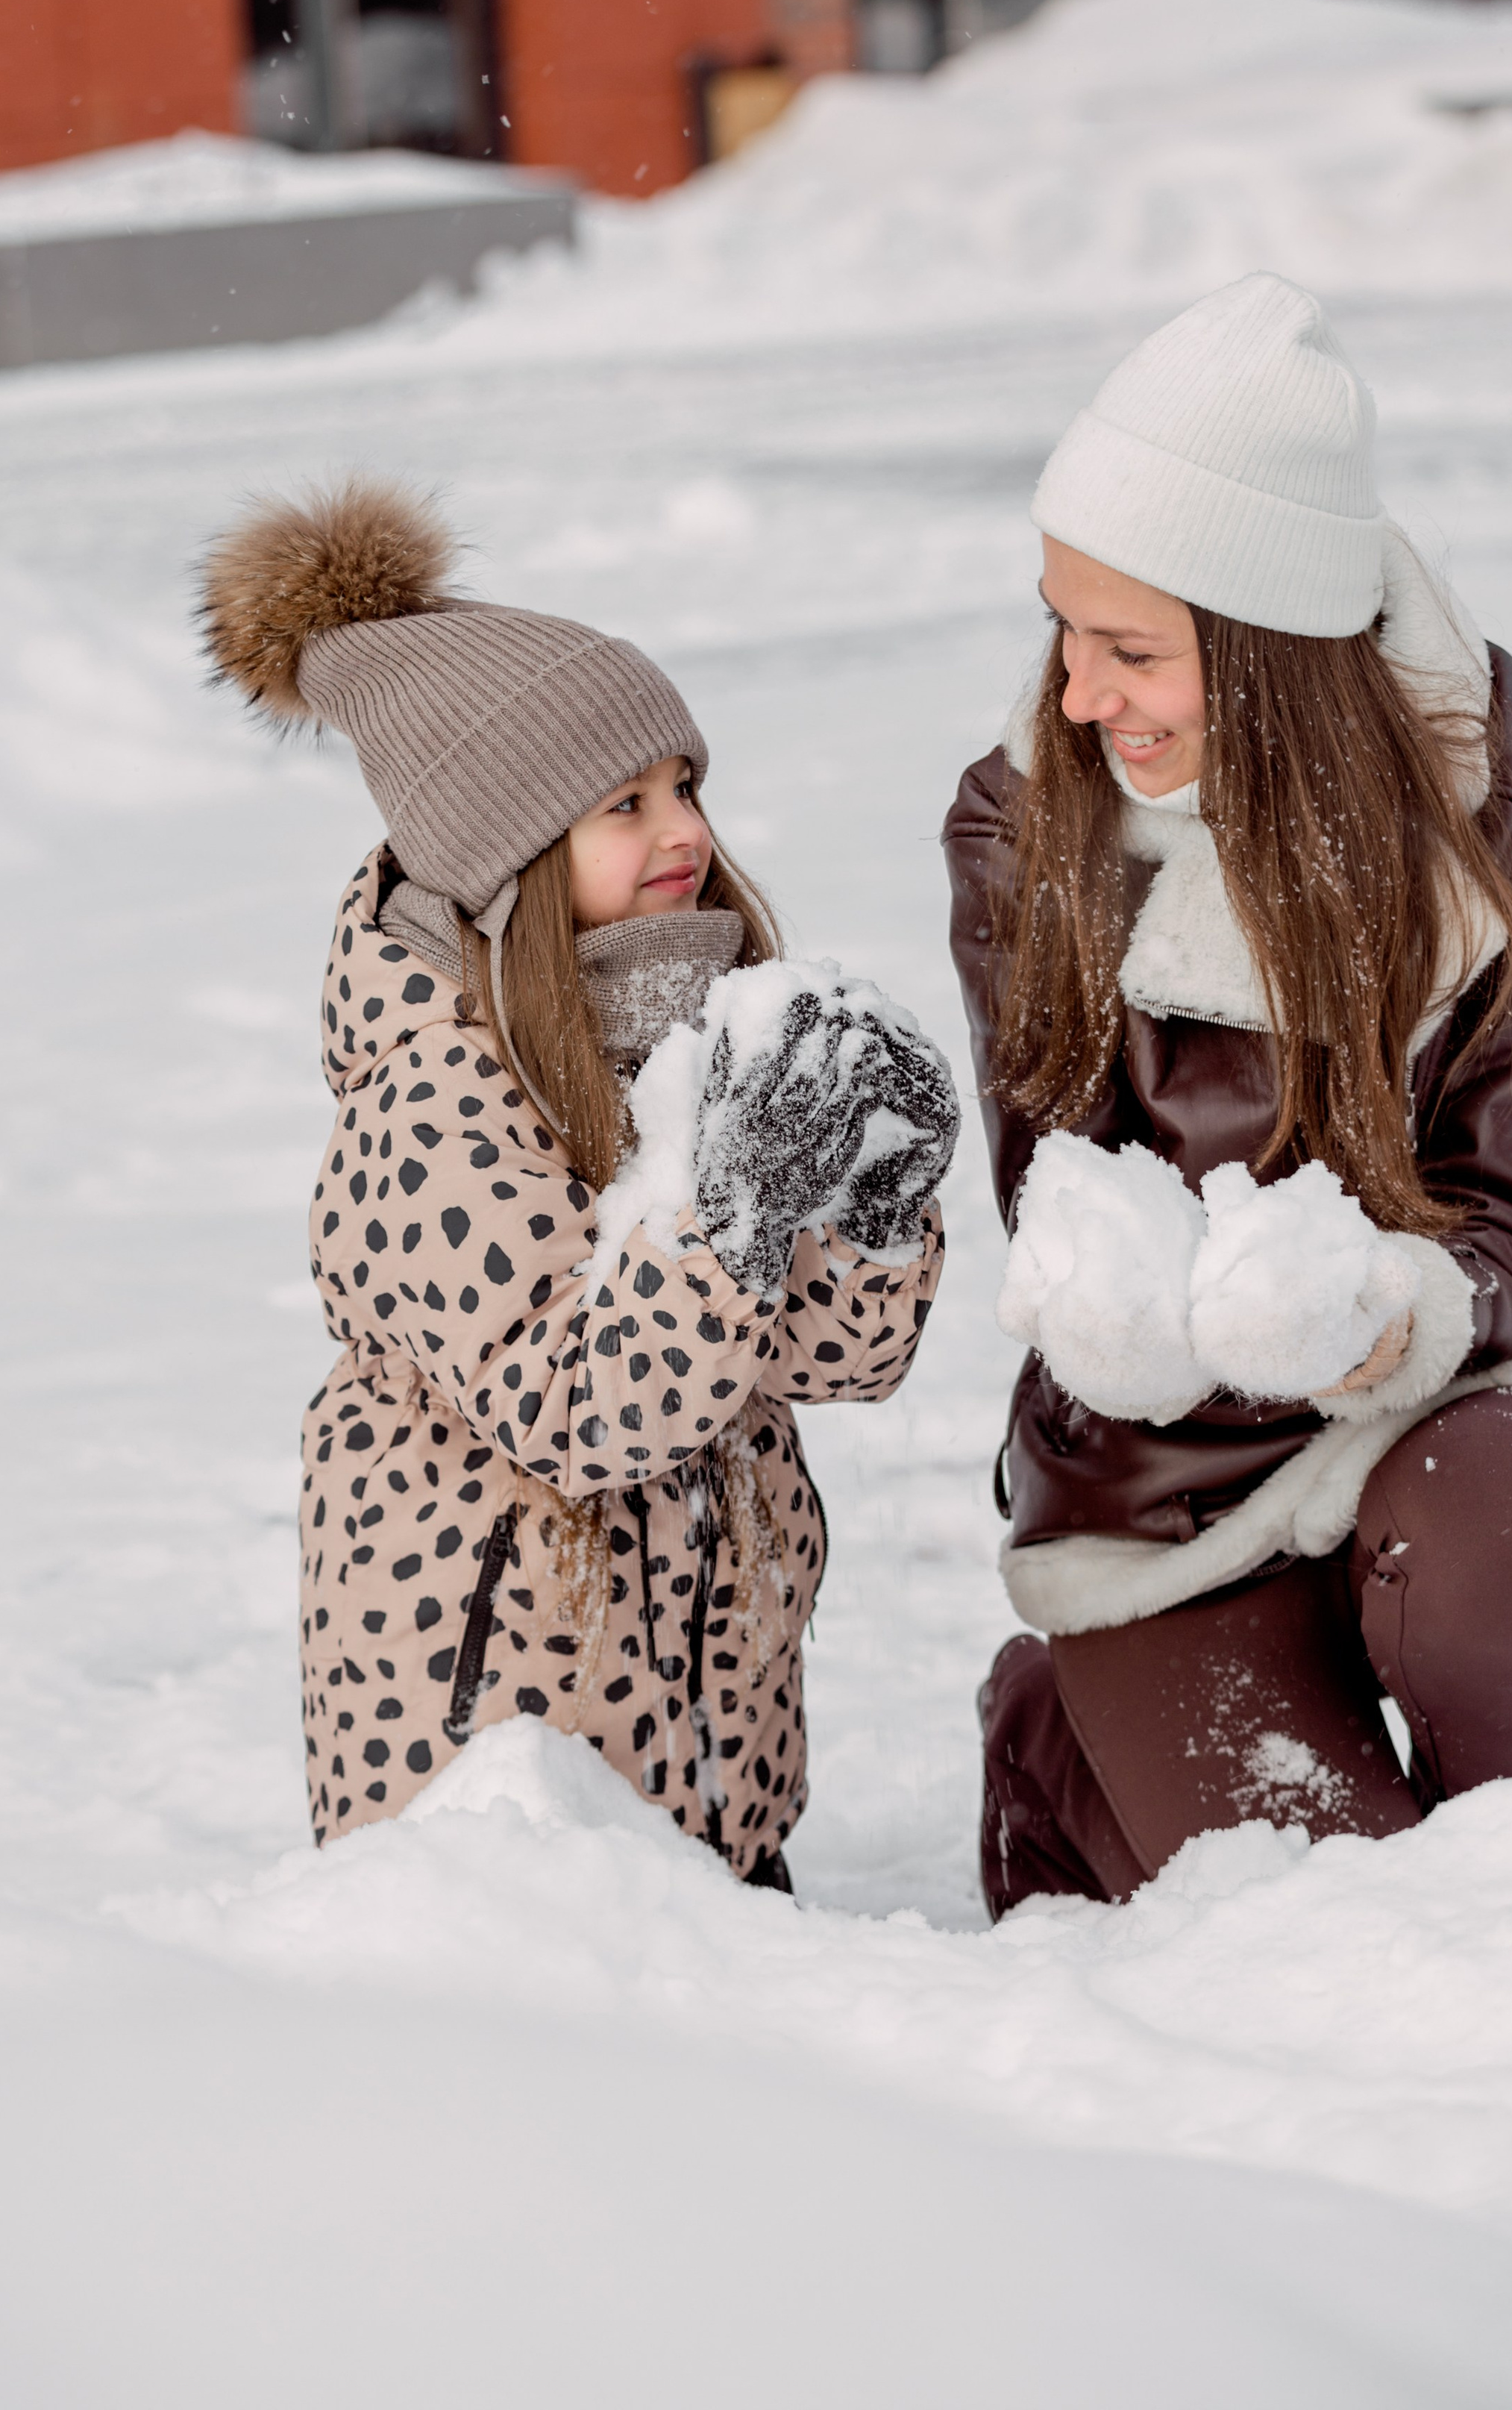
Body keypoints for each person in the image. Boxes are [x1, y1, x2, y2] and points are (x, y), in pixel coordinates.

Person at [944, 274, 1512, 1914]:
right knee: (1314, 1926)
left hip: (1436, 1405)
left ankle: (1511, 1852)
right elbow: (1056, 1185)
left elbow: (1510, 1216)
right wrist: (1116, 1294)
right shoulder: (1024, 820)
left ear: (1272, 649)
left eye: (1127, 648)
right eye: (1060, 626)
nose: (1072, 695)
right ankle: (1059, 1744)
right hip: (1163, 1478)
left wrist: (1379, 1311)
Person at [199, 475, 955, 1888]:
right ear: (510, 852)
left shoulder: (673, 1027)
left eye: (687, 786)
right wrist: (735, 1211)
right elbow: (582, 1413)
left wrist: (871, 1206)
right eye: (626, 803)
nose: (685, 833)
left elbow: (829, 1361)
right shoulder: (428, 1105)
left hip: (709, 1785)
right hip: (500, 1822)